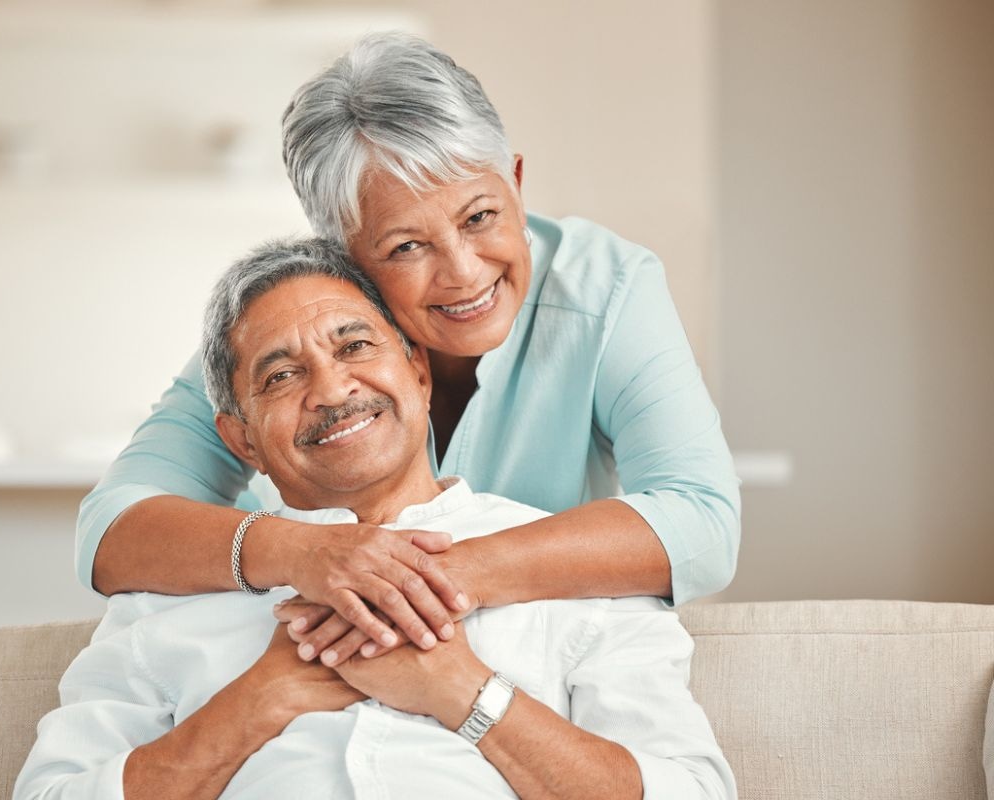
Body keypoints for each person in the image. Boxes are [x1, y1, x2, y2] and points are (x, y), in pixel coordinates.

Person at [77, 32, 741, 664]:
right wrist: (304, 555)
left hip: (525, 657)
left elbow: (703, 523)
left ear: (514, 180)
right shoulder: (293, 318)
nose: (463, 272)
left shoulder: (609, 286)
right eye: (406, 246)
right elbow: (110, 530)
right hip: (310, 647)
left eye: (480, 216)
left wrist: (433, 577)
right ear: (343, 255)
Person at [16, 240, 735, 800]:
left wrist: (464, 693)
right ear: (242, 441)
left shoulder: (581, 577)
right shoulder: (165, 599)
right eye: (281, 375)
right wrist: (259, 700)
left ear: (419, 373)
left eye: (355, 345)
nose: (332, 389)